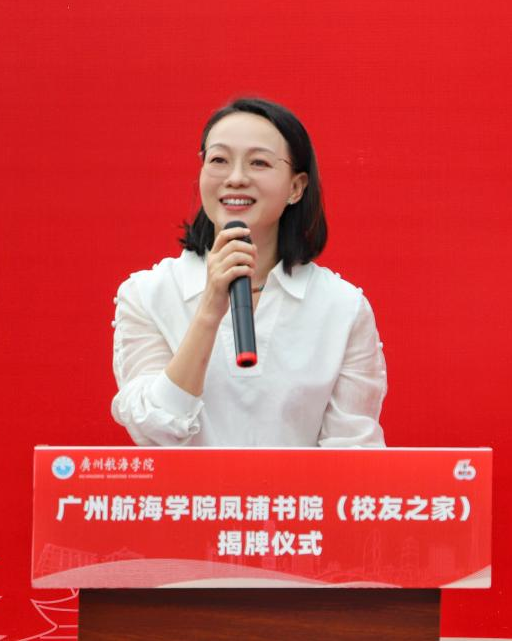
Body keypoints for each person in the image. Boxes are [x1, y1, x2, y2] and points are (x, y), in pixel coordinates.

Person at [110, 98, 387, 447]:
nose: (236, 178)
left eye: (259, 163)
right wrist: (209, 309)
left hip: (298, 487)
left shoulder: (341, 306)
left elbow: (353, 452)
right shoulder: (148, 294)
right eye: (219, 160)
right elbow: (155, 428)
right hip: (190, 487)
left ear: (296, 187)